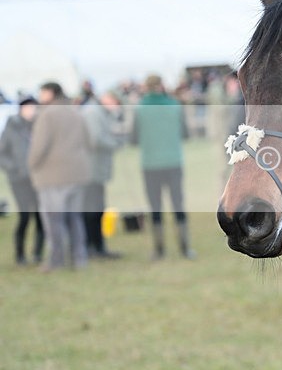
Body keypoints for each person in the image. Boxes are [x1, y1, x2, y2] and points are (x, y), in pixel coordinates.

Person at [28, 82, 91, 271]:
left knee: (53, 220)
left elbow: (39, 147)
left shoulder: (46, 115)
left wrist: (31, 164)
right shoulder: (76, 112)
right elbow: (88, 140)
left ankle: (56, 260)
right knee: (75, 218)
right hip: (77, 173)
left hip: (53, 175)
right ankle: (79, 258)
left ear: (50, 93)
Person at [133, 75, 194, 260]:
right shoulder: (174, 105)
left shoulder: (139, 108)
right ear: (161, 86)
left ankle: (159, 250)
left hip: (150, 164)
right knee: (178, 205)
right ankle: (185, 248)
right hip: (173, 162)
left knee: (155, 207)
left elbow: (133, 138)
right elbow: (185, 133)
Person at [0, 97, 44, 265]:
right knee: (24, 216)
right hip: (19, 180)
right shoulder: (12, 127)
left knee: (41, 216)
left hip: (38, 178)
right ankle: (20, 255)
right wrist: (15, 168)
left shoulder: (39, 127)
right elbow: (2, 154)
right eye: (28, 108)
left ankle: (38, 253)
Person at [82, 92, 125, 258]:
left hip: (96, 171)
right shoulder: (93, 113)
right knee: (92, 211)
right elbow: (95, 139)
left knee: (97, 209)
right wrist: (115, 144)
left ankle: (97, 246)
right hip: (91, 171)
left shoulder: (102, 113)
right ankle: (93, 247)